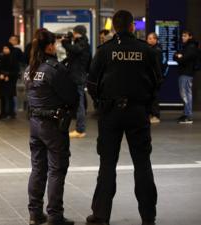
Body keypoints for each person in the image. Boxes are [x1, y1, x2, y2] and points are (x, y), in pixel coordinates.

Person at [86, 10, 161, 225]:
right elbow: (157, 81)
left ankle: (101, 215)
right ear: (131, 27)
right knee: (143, 163)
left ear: (114, 28)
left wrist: (101, 103)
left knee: (107, 164)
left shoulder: (104, 51)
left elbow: (92, 84)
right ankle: (148, 216)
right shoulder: (146, 51)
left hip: (110, 113)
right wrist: (147, 105)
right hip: (138, 113)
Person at [25, 28, 79, 225]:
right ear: (49, 46)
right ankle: (55, 215)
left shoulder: (30, 68)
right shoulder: (54, 69)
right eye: (54, 43)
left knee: (38, 168)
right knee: (56, 169)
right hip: (53, 125)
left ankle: (35, 213)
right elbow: (71, 96)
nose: (56, 46)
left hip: (34, 124)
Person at [62, 25, 92, 138]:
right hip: (77, 76)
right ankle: (78, 128)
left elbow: (75, 50)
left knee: (79, 104)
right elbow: (71, 56)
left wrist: (65, 43)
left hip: (78, 77)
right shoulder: (81, 43)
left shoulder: (82, 44)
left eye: (74, 33)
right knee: (77, 103)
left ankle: (80, 130)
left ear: (77, 33)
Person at [174, 30, 199, 124]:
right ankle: (186, 114)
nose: (182, 37)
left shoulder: (191, 47)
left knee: (186, 95)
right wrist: (178, 56)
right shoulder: (186, 47)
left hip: (187, 74)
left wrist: (179, 56)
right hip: (184, 73)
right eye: (182, 36)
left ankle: (188, 116)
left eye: (185, 36)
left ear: (190, 36)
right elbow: (175, 56)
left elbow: (183, 59)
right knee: (184, 95)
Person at [0, 43, 19, 120]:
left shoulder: (13, 59)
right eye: (4, 48)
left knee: (10, 97)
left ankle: (11, 113)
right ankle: (3, 113)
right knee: (2, 97)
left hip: (10, 81)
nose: (4, 50)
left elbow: (16, 71)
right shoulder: (2, 58)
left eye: (6, 48)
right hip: (3, 81)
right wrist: (0, 74)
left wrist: (8, 76)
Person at [147, 32, 167, 124]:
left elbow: (157, 66)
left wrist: (158, 78)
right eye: (148, 38)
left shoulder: (156, 50)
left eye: (151, 38)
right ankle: (152, 114)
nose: (149, 40)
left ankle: (156, 116)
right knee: (151, 97)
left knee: (154, 97)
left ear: (156, 40)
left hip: (155, 78)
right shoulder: (153, 49)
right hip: (153, 77)